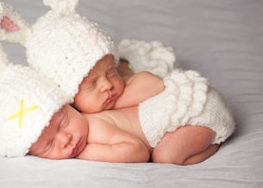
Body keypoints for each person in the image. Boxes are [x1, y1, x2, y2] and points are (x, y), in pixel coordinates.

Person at [29, 64, 235, 165]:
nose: (65, 139)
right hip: (186, 110)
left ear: (69, 104)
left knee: (165, 158)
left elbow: (137, 151)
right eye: (49, 146)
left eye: (64, 123)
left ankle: (215, 140)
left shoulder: (94, 127)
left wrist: (83, 154)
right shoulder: (88, 115)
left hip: (194, 112)